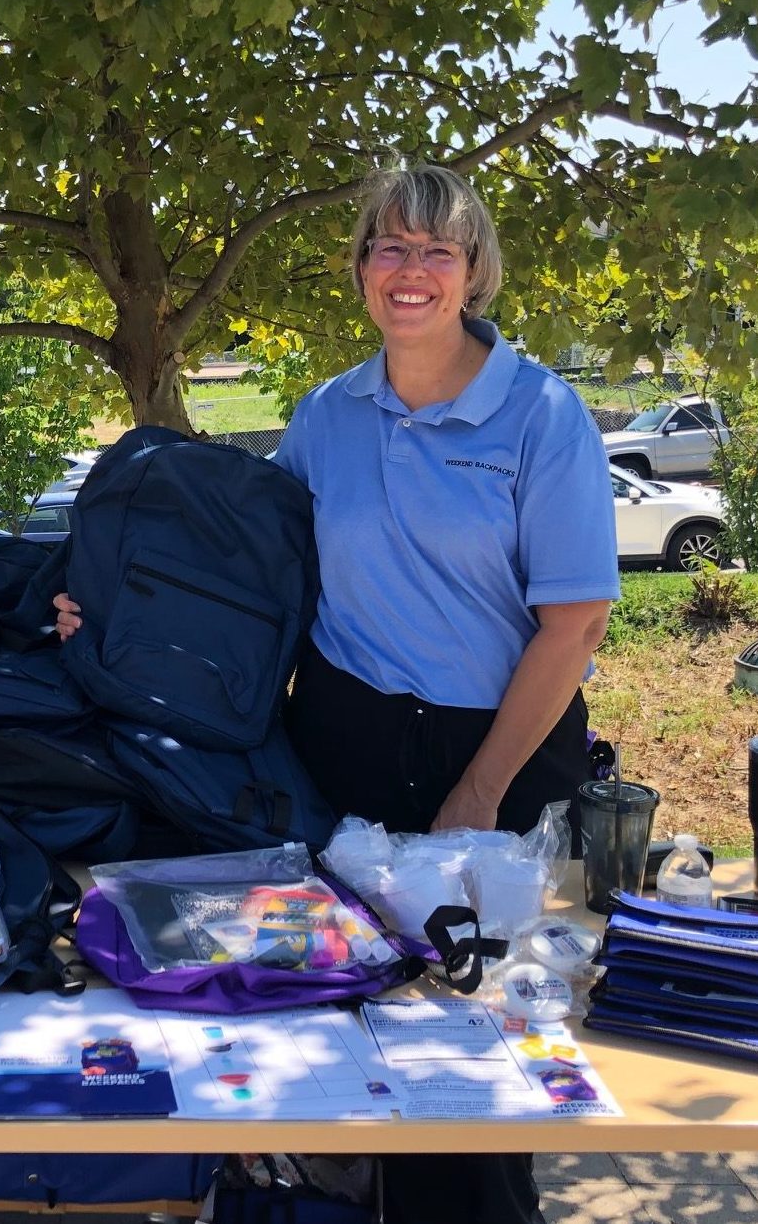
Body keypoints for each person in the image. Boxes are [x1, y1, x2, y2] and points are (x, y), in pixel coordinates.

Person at [55, 166, 619, 1224]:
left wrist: (477, 789)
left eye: (435, 251)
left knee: (477, 1056)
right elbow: (250, 578)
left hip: (492, 757)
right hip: (345, 743)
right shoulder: (326, 415)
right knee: (347, 1034)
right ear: (360, 268)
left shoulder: (542, 416)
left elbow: (573, 627)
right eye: (388, 248)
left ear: (472, 272)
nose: (410, 270)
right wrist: (105, 612)